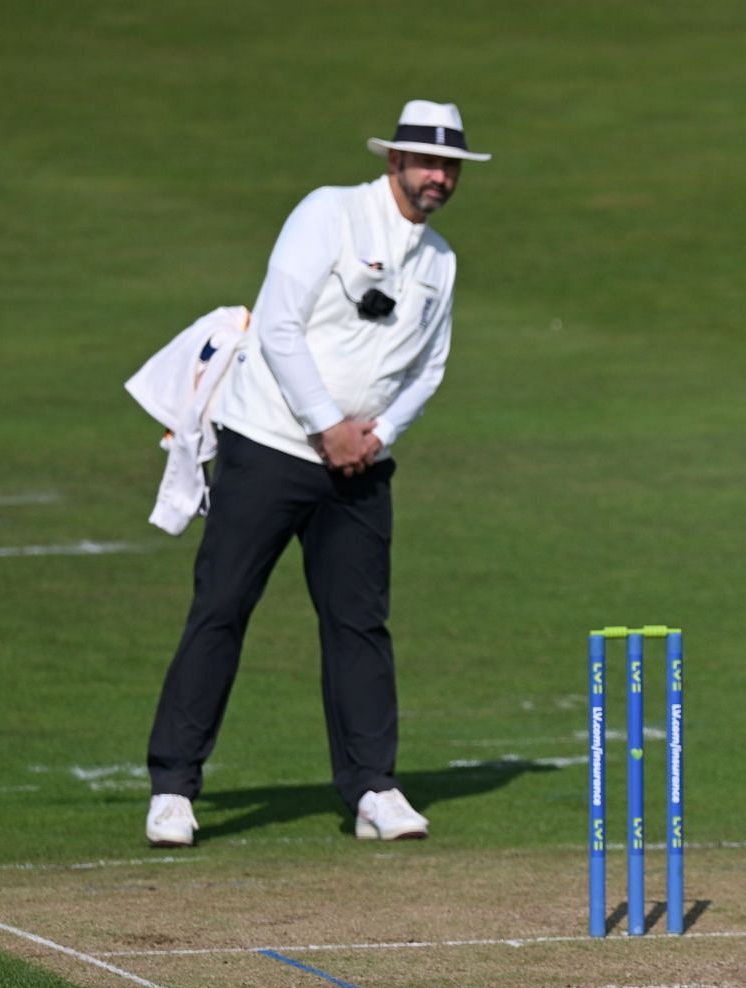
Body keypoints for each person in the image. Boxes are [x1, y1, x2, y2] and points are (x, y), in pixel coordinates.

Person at [144, 101, 491, 847]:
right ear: (394, 159)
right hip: (270, 442)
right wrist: (325, 424)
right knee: (223, 605)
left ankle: (373, 786)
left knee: (359, 623)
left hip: (361, 465)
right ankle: (173, 786)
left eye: (450, 166)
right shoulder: (328, 214)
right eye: (426, 161)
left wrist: (375, 434)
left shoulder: (440, 261)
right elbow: (275, 325)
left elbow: (430, 370)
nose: (438, 176)